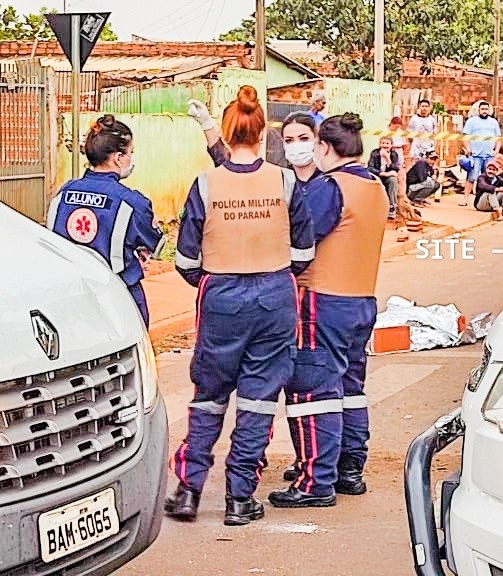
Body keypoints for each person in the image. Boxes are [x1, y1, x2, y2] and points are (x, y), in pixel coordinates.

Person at [168, 86, 315, 527]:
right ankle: (239, 498)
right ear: (263, 134)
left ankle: (189, 490)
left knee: (209, 396)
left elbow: (185, 260)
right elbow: (304, 253)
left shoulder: (206, 183)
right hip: (275, 297)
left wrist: (216, 281)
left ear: (228, 132)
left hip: (221, 297)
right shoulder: (286, 181)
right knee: (258, 399)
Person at [269, 112, 387, 509]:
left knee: (313, 391)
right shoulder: (373, 187)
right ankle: (347, 469)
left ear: (323, 147)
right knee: (350, 389)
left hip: (322, 301)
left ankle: (314, 482)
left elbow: (298, 241)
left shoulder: (328, 188)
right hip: (361, 301)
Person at [46, 115, 162, 326]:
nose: (131, 159)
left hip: (70, 297)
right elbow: (156, 244)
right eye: (130, 153)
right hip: (120, 295)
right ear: (118, 158)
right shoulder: (132, 202)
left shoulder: (62, 194)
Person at [461, 100, 501, 206]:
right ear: (478, 110)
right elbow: (465, 137)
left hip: (488, 155)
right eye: (482, 109)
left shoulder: (493, 122)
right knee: (472, 177)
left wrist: (496, 150)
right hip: (475, 155)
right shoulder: (471, 121)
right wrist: (468, 149)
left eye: (486, 109)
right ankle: (465, 199)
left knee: (489, 177)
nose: (484, 111)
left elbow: (498, 138)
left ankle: (484, 200)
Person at [366, 136, 401, 220]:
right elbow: (370, 168)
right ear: (379, 144)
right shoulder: (374, 153)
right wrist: (382, 173)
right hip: (377, 176)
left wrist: (388, 159)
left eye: (387, 143)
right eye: (383, 143)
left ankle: (391, 207)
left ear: (391, 145)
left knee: (393, 180)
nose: (385, 145)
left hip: (388, 177)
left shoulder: (394, 154)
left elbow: (395, 169)